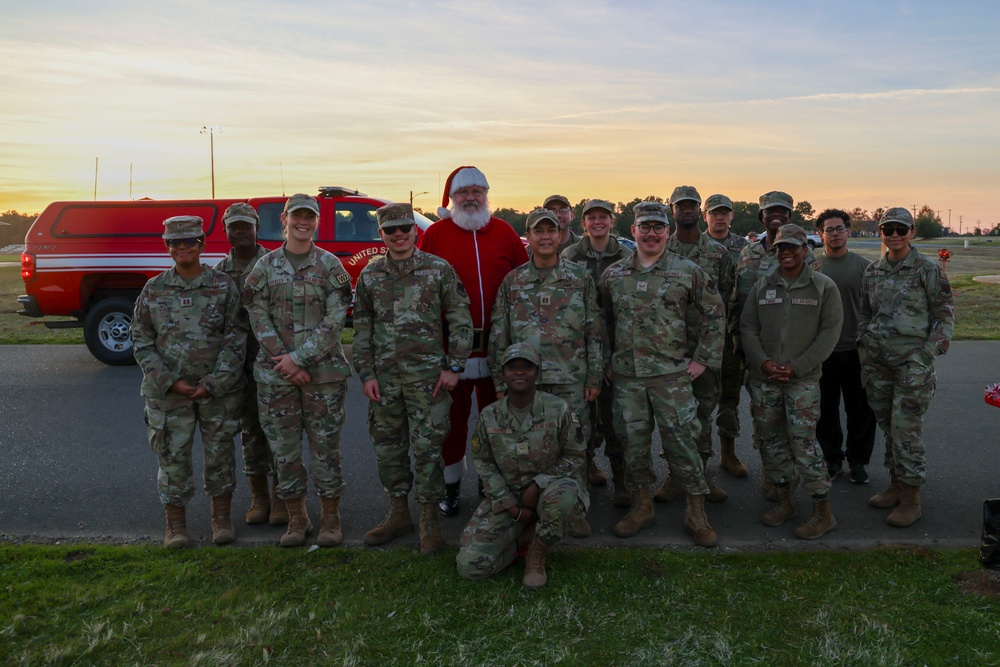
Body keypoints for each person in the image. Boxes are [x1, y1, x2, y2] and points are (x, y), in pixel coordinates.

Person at [598, 201, 724, 547]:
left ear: (667, 232)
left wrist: (703, 359)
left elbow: (715, 314)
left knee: (683, 444)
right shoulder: (615, 275)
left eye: (658, 227)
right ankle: (641, 507)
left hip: (671, 376)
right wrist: (606, 361)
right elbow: (602, 323)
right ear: (633, 231)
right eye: (645, 227)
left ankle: (696, 512)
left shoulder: (688, 271)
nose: (651, 234)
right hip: (628, 378)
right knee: (633, 446)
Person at [352, 203, 473, 555]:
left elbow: (461, 320)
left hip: (428, 382)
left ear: (415, 231)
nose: (399, 234)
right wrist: (366, 374)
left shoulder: (438, 270)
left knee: (428, 452)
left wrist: (454, 367)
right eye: (391, 230)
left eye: (405, 227)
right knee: (388, 452)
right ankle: (399, 513)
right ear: (381, 235)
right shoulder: (371, 276)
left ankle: (429, 521)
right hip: (385, 383)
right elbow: (362, 330)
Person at [417, 166, 529, 516]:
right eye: (464, 192)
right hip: (453, 353)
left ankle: (491, 482)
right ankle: (450, 488)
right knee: (451, 423)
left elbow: (524, 280)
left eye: (477, 191)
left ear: (486, 196)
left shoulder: (504, 232)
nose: (471, 198)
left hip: (499, 351)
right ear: (452, 198)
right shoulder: (436, 234)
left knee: (498, 422)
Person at [243, 193, 353, 547]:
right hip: (276, 377)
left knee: (325, 450)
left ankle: (331, 519)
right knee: (284, 451)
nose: (302, 222)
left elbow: (337, 320)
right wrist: (285, 362)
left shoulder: (331, 266)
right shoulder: (264, 267)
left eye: (310, 217)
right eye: (297, 216)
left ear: (317, 222)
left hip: (323, 376)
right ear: (285, 220)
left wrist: (300, 359)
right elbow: (256, 317)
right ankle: (297, 517)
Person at [131, 215, 246, 548]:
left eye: (189, 241)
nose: (182, 247)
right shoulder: (154, 288)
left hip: (217, 391)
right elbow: (140, 338)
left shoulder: (223, 286)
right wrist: (169, 381)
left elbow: (236, 335)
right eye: (175, 242)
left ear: (202, 244)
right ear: (167, 247)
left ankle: (220, 518)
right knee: (172, 456)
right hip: (168, 394)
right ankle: (176, 525)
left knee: (220, 454)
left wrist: (215, 381)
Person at [489, 207, 604, 537]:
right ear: (530, 236)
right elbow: (500, 333)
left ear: (559, 235)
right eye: (538, 231)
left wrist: (594, 377)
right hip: (526, 382)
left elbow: (594, 330)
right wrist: (500, 382)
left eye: (550, 231)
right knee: (531, 447)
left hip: (571, 378)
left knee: (575, 446)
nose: (545, 237)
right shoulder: (513, 281)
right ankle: (534, 508)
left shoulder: (579, 279)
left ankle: (576, 507)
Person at [741, 224, 843, 540]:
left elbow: (829, 334)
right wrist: (762, 362)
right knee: (771, 443)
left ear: (804, 250)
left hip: (802, 381)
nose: (786, 253)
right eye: (781, 248)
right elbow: (748, 328)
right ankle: (784, 501)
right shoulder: (763, 286)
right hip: (765, 379)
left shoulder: (823, 287)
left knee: (804, 444)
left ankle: (822, 511)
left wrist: (798, 367)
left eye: (792, 248)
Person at [456, 343, 586, 590]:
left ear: (537, 373)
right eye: (512, 367)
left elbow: (575, 456)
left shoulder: (558, 409)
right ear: (503, 374)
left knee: (564, 498)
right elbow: (482, 460)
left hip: (551, 491)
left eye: (527, 367)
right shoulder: (489, 415)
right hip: (508, 497)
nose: (519, 373)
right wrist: (511, 506)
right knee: (470, 567)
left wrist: (539, 483)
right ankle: (524, 538)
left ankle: (536, 555)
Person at [859, 208, 954, 527]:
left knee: (906, 428)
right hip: (878, 362)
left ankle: (912, 498)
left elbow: (944, 316)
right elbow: (863, 312)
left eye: (901, 229)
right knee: (889, 425)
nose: (894, 235)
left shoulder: (928, 269)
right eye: (888, 229)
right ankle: (896, 485)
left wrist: (926, 354)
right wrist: (863, 342)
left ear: (912, 232)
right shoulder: (873, 270)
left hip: (912, 364)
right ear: (881, 232)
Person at [732, 191, 820, 499]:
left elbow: (813, 310)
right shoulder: (747, 254)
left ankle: (792, 475)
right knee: (763, 418)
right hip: (752, 348)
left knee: (793, 423)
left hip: (791, 354)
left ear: (790, 215)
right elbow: (738, 301)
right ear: (761, 216)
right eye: (771, 211)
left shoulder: (807, 256)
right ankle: (774, 475)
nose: (777, 215)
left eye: (783, 211)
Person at [653, 186, 734, 506]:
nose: (686, 210)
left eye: (691, 206)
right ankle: (675, 476)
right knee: (672, 419)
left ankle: (700, 477)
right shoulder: (659, 248)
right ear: (672, 211)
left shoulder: (718, 253)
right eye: (680, 206)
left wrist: (711, 350)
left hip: (705, 351)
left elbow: (726, 302)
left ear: (700, 211)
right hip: (668, 351)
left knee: (702, 414)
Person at [213, 202, 286, 526]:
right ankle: (260, 497)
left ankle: (283, 496)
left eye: (246, 225)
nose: (240, 231)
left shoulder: (275, 263)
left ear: (257, 227)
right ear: (226, 230)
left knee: (280, 431)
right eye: (234, 226)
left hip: (273, 361)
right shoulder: (217, 273)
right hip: (238, 366)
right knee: (251, 432)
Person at [562, 198, 632, 505]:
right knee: (582, 419)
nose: (597, 222)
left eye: (603, 216)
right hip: (580, 351)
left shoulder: (627, 255)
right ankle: (587, 466)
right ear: (583, 223)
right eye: (591, 217)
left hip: (619, 348)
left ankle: (622, 481)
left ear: (612, 221)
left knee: (617, 419)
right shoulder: (570, 255)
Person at [814, 208, 877, 484]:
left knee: (860, 410)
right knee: (824, 410)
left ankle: (858, 461)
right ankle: (832, 459)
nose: (835, 234)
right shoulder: (812, 269)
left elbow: (875, 308)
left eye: (840, 228)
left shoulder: (865, 267)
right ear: (820, 234)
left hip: (856, 350)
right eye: (829, 229)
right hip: (823, 351)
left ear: (848, 232)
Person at [703, 194, 750, 478]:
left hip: (732, 335)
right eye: (714, 213)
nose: (719, 217)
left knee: (730, 397)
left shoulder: (746, 249)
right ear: (705, 216)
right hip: (700, 337)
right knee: (699, 401)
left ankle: (728, 452)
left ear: (732, 216)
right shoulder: (689, 247)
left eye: (725, 213)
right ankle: (699, 460)